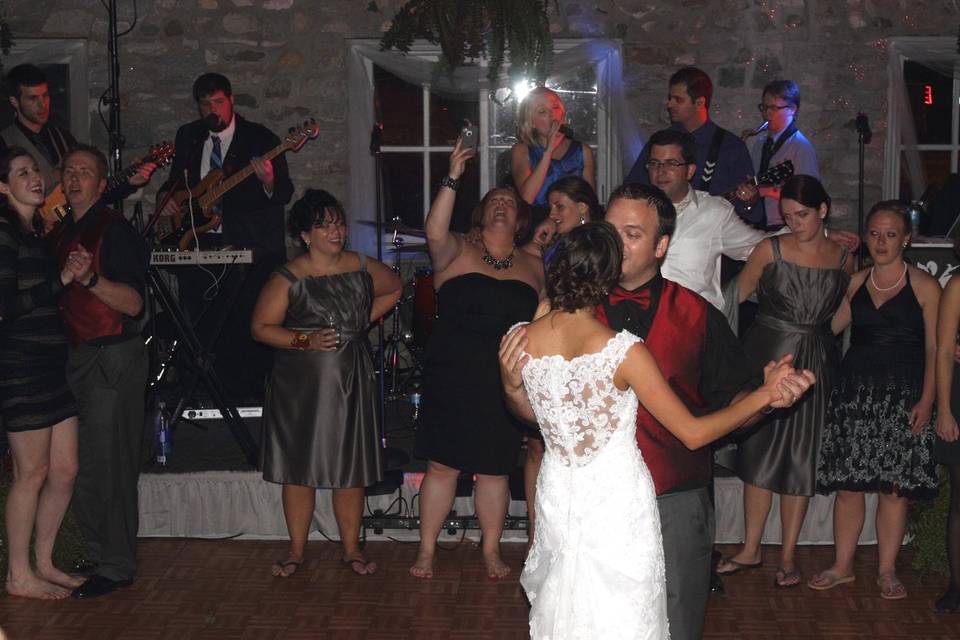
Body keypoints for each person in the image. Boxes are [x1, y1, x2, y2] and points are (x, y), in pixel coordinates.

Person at [503, 182, 801, 640]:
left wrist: (768, 396)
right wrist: (510, 386)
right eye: (611, 231)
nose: (617, 245)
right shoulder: (563, 312)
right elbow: (534, 412)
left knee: (673, 624)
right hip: (581, 506)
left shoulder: (699, 315)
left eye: (633, 234)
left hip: (675, 495)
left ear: (662, 245)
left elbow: (735, 401)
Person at [410, 139, 543, 580]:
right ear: (481, 214)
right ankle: (427, 551)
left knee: (494, 470)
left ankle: (490, 550)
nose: (502, 205)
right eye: (494, 202)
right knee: (442, 465)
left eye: (509, 201)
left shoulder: (532, 263)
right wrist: (452, 175)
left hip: (504, 380)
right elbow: (432, 232)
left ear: (521, 218)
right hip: (453, 372)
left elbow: (545, 320)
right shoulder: (455, 250)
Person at [252, 189, 401, 577]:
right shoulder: (289, 275)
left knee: (349, 465)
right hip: (301, 385)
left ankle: (352, 550)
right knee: (300, 465)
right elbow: (260, 328)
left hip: (351, 377)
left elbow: (395, 288)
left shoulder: (360, 265)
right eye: (323, 225)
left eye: (337, 222)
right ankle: (296, 551)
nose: (335, 231)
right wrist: (305, 339)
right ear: (305, 234)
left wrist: (360, 323)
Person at [718, 175, 853, 588]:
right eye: (788, 216)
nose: (794, 223)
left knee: (800, 457)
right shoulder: (769, 249)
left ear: (823, 211)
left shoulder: (843, 257)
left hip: (815, 362)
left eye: (803, 215)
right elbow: (733, 298)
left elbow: (846, 309)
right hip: (768, 354)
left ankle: (789, 556)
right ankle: (750, 548)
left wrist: (823, 337)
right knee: (759, 452)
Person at [810, 201, 940, 599]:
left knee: (893, 489)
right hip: (855, 395)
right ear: (866, 237)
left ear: (906, 239)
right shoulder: (855, 282)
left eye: (890, 234)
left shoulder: (924, 285)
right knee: (849, 487)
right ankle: (842, 566)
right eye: (874, 233)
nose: (881, 241)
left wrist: (927, 400)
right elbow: (828, 329)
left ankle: (886, 571)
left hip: (903, 398)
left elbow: (935, 350)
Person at [47, 145, 149, 599]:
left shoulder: (115, 230)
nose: (74, 178)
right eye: (68, 171)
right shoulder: (62, 231)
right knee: (85, 463)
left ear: (102, 184)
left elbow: (135, 303)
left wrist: (89, 280)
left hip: (114, 355)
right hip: (79, 357)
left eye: (84, 172)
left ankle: (116, 564)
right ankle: (97, 553)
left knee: (112, 464)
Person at [157, 72, 295, 400]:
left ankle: (248, 396)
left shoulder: (260, 138)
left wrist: (268, 180)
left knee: (245, 321)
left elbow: (283, 193)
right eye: (205, 104)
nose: (211, 110)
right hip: (197, 243)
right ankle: (206, 392)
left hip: (247, 246)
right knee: (201, 322)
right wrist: (167, 200)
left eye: (217, 102)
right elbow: (178, 182)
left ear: (231, 100)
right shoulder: (189, 135)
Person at [0, 148, 87, 599]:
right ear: (2, 186)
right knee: (30, 473)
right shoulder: (4, 234)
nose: (35, 177)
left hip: (51, 367)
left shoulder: (34, 234)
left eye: (35, 170)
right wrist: (62, 282)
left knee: (66, 469)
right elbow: (6, 306)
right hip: (21, 367)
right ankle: (18, 575)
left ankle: (45, 561)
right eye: (21, 173)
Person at [518, 175, 601, 550]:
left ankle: (578, 530)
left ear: (583, 209)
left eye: (559, 207)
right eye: (550, 207)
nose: (551, 215)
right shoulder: (554, 244)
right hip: (551, 337)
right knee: (539, 442)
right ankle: (538, 532)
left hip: (584, 343)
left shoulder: (600, 244)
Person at [624, 66, 758, 225]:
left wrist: (750, 201)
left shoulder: (730, 147)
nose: (669, 104)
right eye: (670, 98)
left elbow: (753, 214)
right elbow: (632, 191)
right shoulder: (660, 142)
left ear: (700, 102)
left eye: (678, 100)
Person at [510, 87, 595, 226]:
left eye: (555, 108)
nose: (551, 115)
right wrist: (548, 150)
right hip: (535, 225)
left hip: (574, 225)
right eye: (542, 111)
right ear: (532, 122)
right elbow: (526, 198)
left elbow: (590, 202)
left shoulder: (582, 151)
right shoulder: (522, 150)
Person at [741, 80, 820, 230]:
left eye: (774, 108)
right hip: (760, 223)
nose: (766, 113)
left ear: (793, 109)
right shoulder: (759, 144)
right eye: (764, 107)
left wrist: (766, 191)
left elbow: (808, 195)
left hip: (785, 226)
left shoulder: (801, 147)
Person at [0, 65, 76, 202]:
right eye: (33, 98)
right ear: (14, 101)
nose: (42, 105)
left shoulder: (63, 138)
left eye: (45, 96)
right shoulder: (4, 143)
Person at [934, 269, 960, 613]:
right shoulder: (957, 285)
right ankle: (957, 586)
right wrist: (944, 410)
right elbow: (941, 351)